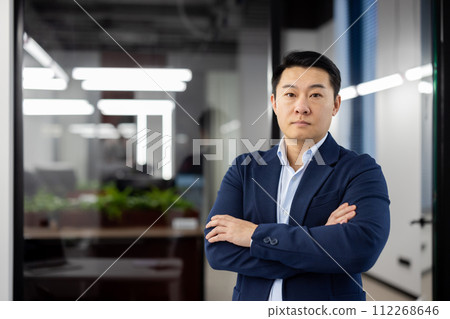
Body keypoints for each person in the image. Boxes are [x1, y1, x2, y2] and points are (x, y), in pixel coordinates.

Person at [204, 51, 390, 301]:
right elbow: (218, 251)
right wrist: (318, 242)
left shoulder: (359, 170)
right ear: (274, 103)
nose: (301, 107)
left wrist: (253, 235)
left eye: (315, 95)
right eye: (290, 94)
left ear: (335, 104)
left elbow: (360, 249)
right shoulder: (245, 168)